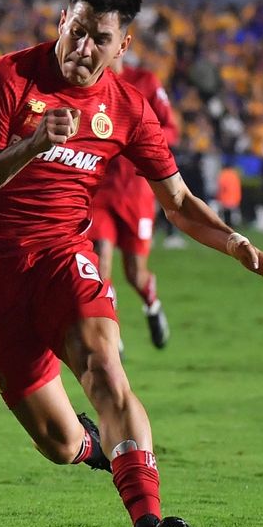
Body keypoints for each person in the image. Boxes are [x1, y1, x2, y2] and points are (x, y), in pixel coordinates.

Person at [0, 0, 263, 527]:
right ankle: (92, 447)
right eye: (77, 29)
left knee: (105, 364)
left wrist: (238, 244)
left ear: (123, 46)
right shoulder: (7, 78)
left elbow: (179, 201)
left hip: (64, 255)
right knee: (59, 444)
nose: (83, 47)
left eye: (100, 38)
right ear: (62, 19)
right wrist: (33, 144)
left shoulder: (129, 109)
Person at [87, 52, 179, 349]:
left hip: (136, 192)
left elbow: (171, 131)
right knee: (100, 265)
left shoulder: (145, 82)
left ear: (121, 46)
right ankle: (113, 337)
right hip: (98, 190)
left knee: (135, 274)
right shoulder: (86, 82)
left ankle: (152, 305)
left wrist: (134, 133)